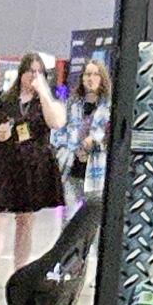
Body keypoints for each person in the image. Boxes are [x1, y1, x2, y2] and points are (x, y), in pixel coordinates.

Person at [0, 53, 68, 293]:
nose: (33, 76)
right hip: (6, 162)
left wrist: (44, 92)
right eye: (29, 71)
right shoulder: (5, 99)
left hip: (33, 166)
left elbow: (56, 122)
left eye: (38, 71)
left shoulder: (46, 100)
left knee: (25, 221)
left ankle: (19, 274)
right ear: (21, 73)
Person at [63, 53, 113, 218]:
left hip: (96, 171)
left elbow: (111, 140)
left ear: (102, 78)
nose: (91, 78)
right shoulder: (73, 104)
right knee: (69, 220)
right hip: (72, 170)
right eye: (87, 74)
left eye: (95, 74)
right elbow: (61, 133)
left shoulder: (110, 107)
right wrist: (73, 148)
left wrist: (93, 145)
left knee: (92, 222)